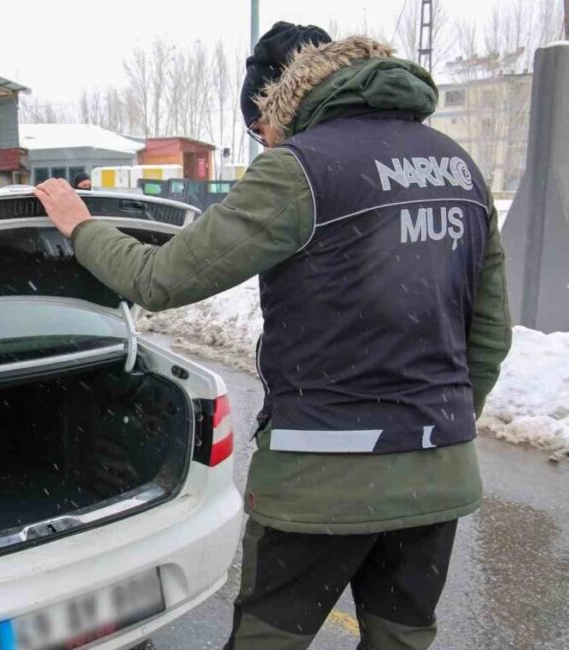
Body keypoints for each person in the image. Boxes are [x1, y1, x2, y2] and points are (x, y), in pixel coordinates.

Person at [35, 23, 511, 650]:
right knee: (401, 640)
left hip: (321, 481)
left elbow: (157, 278)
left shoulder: (300, 170)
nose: (263, 140)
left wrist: (79, 226)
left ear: (276, 102)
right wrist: (436, 428)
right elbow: (491, 336)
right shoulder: (460, 166)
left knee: (270, 641)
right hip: (441, 474)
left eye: (260, 128)